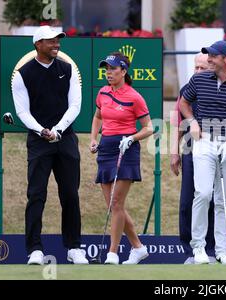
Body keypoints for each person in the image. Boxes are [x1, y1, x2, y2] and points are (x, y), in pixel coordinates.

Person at [11, 25, 88, 265]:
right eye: (51, 41)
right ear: (38, 44)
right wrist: (42, 131)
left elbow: (75, 105)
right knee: (36, 195)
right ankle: (34, 249)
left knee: (70, 195)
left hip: (65, 140)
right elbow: (22, 110)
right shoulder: (23, 73)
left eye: (58, 40)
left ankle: (74, 247)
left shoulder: (68, 69)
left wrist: (58, 130)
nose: (57, 44)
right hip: (38, 142)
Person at [179, 40, 226, 264]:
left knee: (224, 200)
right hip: (203, 141)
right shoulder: (199, 79)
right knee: (202, 194)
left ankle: (222, 251)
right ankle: (199, 248)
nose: (209, 60)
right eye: (208, 56)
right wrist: (192, 121)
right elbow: (183, 103)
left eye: (212, 56)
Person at [90, 52, 153, 265]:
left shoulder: (134, 97)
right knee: (113, 206)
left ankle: (113, 253)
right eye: (106, 69)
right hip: (106, 149)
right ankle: (138, 247)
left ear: (124, 71)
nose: (108, 73)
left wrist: (132, 138)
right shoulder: (103, 92)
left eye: (113, 69)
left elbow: (149, 128)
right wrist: (93, 139)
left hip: (126, 150)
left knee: (117, 203)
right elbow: (98, 117)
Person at [170, 53, 216, 264]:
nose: (197, 72)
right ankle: (190, 250)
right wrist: (174, 153)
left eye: (202, 69)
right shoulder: (186, 89)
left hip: (217, 150)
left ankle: (212, 249)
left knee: (213, 200)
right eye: (195, 68)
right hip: (190, 149)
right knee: (188, 200)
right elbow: (176, 121)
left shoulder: (221, 87)